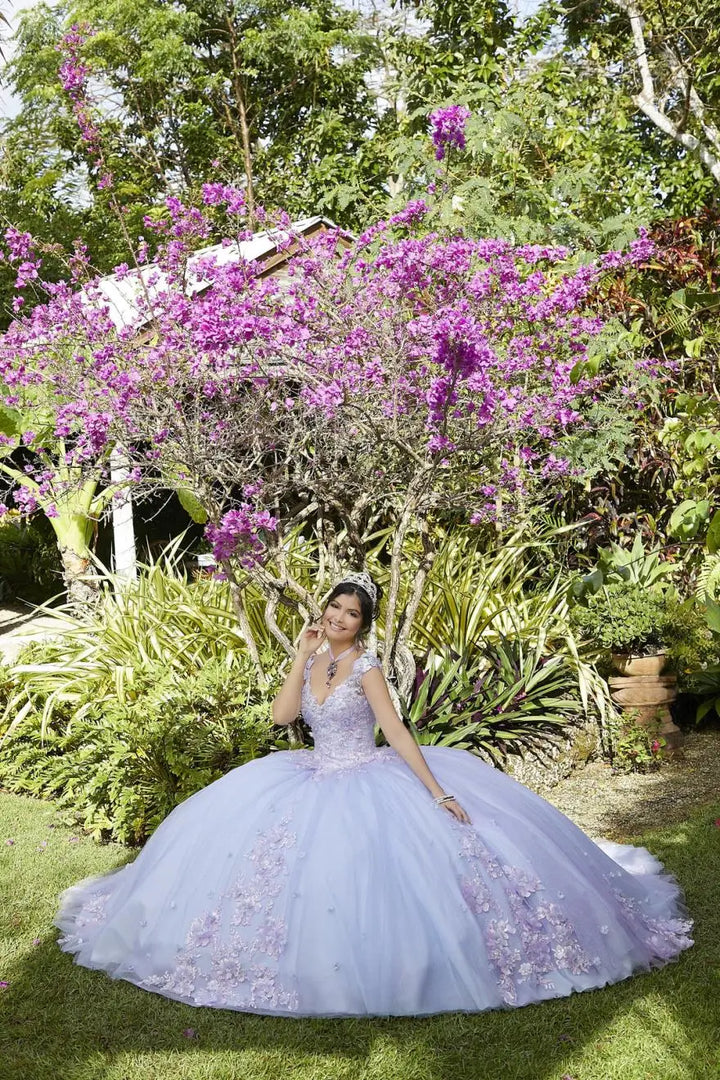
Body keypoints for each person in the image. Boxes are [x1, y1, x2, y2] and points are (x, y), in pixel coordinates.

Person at [55, 570, 692, 1017]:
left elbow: (395, 729)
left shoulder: (365, 667)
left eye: (350, 615)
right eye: (332, 610)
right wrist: (297, 657)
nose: (337, 620)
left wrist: (437, 791)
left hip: (367, 774)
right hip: (310, 773)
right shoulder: (312, 657)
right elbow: (281, 719)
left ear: (363, 624)